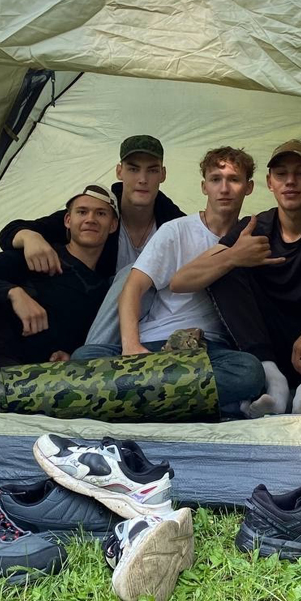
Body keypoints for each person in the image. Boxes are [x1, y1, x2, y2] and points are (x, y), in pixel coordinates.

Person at [171, 140, 301, 417]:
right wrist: (233, 256)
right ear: (270, 183)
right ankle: (274, 383)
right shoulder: (256, 227)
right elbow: (180, 281)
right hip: (269, 350)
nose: (291, 182)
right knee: (224, 265)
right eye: (281, 174)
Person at [72, 147, 266, 419]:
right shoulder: (176, 230)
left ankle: (135, 400)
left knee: (250, 371)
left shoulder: (253, 236)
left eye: (233, 180)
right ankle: (194, 404)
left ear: (249, 187)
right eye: (215, 179)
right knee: (84, 357)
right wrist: (131, 345)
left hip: (208, 351)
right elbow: (132, 288)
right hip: (155, 347)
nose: (224, 189)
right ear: (204, 187)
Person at [0, 134, 184, 346]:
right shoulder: (99, 214)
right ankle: (90, 354)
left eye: (152, 170)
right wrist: (30, 237)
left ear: (163, 174)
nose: (142, 179)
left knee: (142, 273)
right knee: (130, 273)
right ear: (119, 171)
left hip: (157, 327)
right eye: (133, 169)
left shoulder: (176, 225)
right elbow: (9, 233)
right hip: (97, 326)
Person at [0, 185, 119, 411]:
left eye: (100, 213)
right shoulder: (43, 255)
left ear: (113, 225)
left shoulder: (103, 291)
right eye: (82, 212)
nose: (90, 219)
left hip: (26, 376)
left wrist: (68, 353)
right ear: (67, 220)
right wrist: (13, 293)